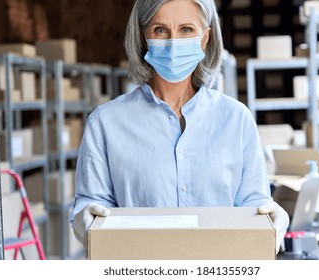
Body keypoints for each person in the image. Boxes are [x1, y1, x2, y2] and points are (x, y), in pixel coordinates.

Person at [69, 0, 289, 256]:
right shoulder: (105, 123)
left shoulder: (236, 119)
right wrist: (86, 218)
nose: (173, 43)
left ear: (205, 38)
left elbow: (253, 204)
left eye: (186, 30)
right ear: (143, 37)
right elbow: (92, 206)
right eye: (160, 30)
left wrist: (269, 217)